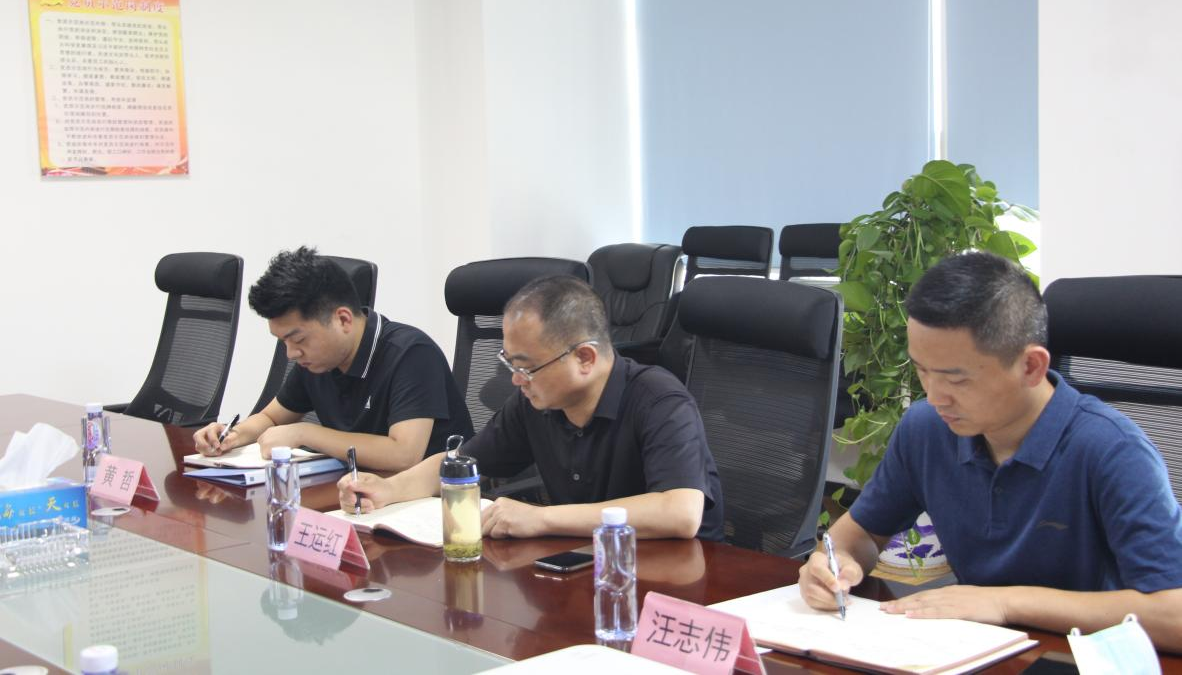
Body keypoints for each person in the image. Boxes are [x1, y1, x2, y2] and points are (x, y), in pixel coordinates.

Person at [799, 252, 1182, 650]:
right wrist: (834, 564)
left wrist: (1003, 602)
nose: (935, 396)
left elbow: (1174, 615)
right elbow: (861, 534)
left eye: (956, 380)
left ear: (1030, 367)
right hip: (974, 647)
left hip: (1080, 656)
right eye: (922, 370)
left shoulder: (1111, 450)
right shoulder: (927, 429)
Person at [339, 275, 725, 540]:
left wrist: (541, 519)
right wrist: (387, 489)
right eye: (510, 364)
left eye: (526, 367)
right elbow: (461, 463)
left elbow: (680, 512)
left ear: (585, 358)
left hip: (678, 582)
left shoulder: (659, 400)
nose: (516, 380)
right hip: (587, 563)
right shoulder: (535, 403)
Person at [194, 246, 473, 471]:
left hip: (429, 500)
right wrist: (232, 435)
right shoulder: (317, 361)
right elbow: (271, 417)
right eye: (283, 342)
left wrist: (305, 433)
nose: (291, 353)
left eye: (298, 339)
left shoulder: (411, 353)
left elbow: (404, 454)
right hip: (356, 490)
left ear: (343, 319)